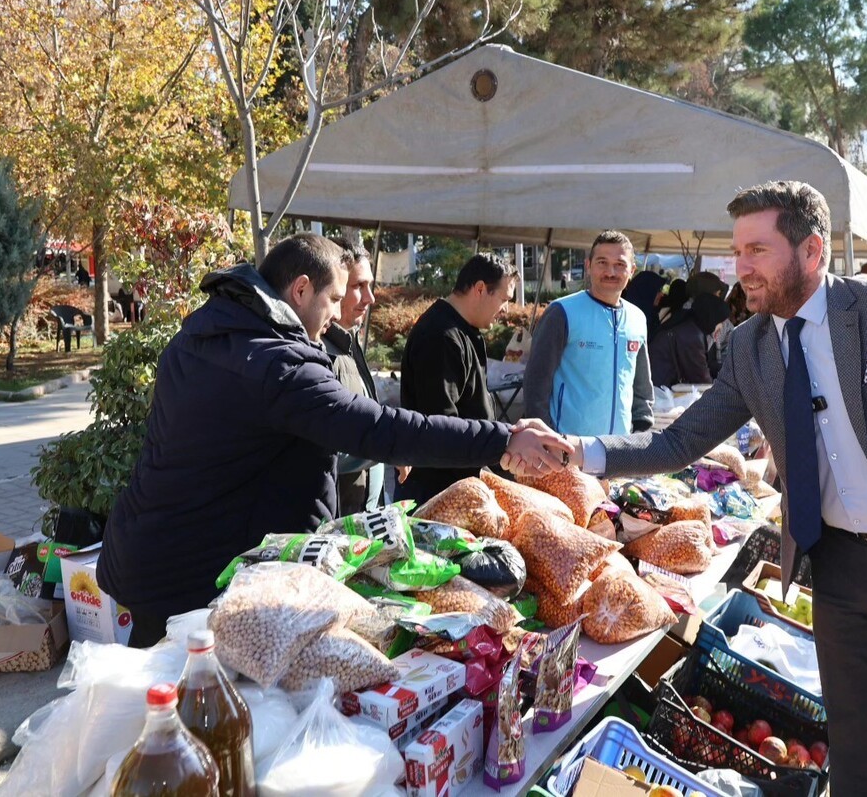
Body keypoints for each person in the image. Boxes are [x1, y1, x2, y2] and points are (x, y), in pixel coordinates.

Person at [543, 181, 867, 795]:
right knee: (851, 750)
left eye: (757, 250)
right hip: (838, 570)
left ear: (812, 251)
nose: (741, 268)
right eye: (738, 251)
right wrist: (580, 451)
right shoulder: (749, 347)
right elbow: (677, 443)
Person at [96, 235, 570, 645]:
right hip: (200, 579)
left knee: (155, 699)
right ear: (301, 289)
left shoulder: (207, 333)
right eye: (334, 298)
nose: (338, 315)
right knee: (189, 717)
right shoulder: (276, 365)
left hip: (152, 552)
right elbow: (379, 427)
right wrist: (503, 437)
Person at [398, 253, 518, 504]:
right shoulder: (441, 336)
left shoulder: (463, 330)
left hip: (456, 485)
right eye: (504, 299)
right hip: (436, 493)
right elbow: (442, 425)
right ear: (480, 289)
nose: (506, 310)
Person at [524, 231, 653, 436]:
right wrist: (546, 439)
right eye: (602, 262)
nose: (610, 272)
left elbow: (641, 385)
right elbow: (536, 385)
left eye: (620, 264)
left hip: (621, 451)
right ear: (588, 266)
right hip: (569, 448)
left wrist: (642, 429)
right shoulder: (562, 312)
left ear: (632, 270)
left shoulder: (637, 318)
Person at [325, 239, 384, 515]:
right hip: (337, 521)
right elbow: (330, 449)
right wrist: (388, 447)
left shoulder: (350, 340)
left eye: (370, 285)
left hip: (362, 516)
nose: (370, 298)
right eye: (358, 286)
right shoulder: (321, 354)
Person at [647, 291, 729, 387]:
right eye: (721, 322)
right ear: (713, 317)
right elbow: (701, 378)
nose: (722, 327)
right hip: (660, 389)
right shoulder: (692, 336)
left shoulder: (690, 324)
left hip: (659, 384)